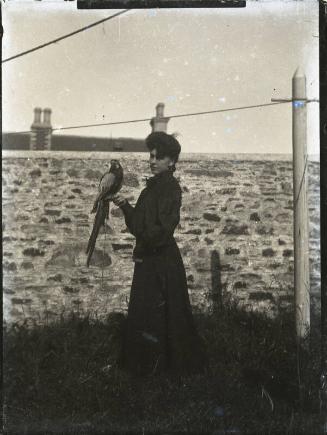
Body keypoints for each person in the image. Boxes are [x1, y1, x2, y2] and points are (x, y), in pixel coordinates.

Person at [111, 132, 207, 376]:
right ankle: (145, 368)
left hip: (162, 262)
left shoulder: (170, 189)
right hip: (148, 259)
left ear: (171, 162)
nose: (152, 160)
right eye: (151, 156)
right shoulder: (149, 190)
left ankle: (168, 370)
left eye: (158, 157)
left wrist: (145, 237)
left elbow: (161, 231)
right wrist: (124, 206)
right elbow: (138, 227)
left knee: (166, 316)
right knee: (145, 314)